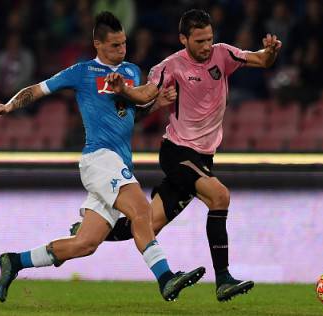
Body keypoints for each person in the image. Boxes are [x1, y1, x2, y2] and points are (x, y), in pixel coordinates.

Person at [0, 11, 205, 303]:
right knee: (141, 211)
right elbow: (37, 90)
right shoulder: (82, 72)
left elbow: (130, 116)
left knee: (86, 243)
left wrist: (156, 105)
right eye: (115, 45)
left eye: (124, 44)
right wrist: (9, 105)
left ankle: (14, 261)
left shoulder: (131, 72)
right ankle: (166, 279)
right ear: (98, 45)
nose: (122, 50)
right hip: (99, 159)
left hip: (117, 163)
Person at [71, 9, 282, 302]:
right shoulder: (170, 67)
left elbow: (260, 59)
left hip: (204, 157)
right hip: (178, 152)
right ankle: (223, 280)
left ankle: (93, 232)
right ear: (183, 39)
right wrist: (125, 90)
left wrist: (270, 52)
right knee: (219, 196)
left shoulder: (223, 54)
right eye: (199, 41)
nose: (207, 46)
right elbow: (146, 94)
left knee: (146, 225)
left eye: (209, 39)